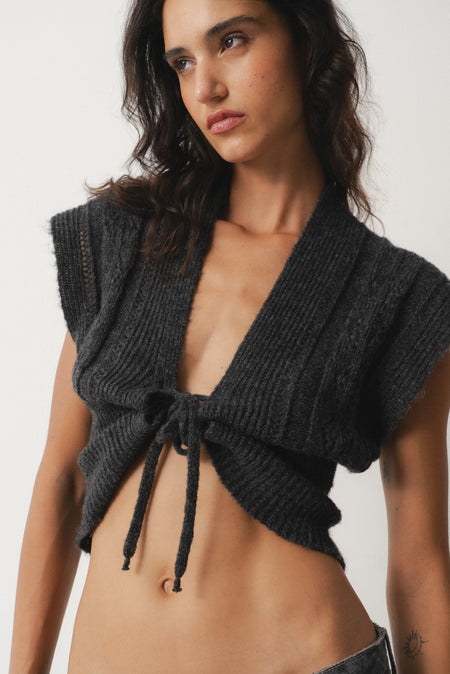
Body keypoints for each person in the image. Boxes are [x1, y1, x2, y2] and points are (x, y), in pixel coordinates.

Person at [9, 0, 450, 672]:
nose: (206, 86)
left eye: (233, 41)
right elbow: (63, 481)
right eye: (182, 62)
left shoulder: (397, 297)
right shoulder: (122, 241)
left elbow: (420, 567)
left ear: (305, 42)